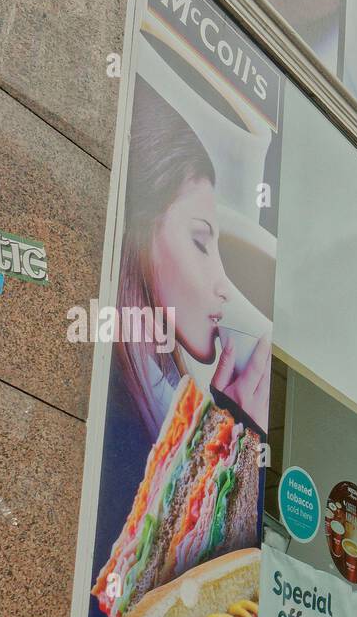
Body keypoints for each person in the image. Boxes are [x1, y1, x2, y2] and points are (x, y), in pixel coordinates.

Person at [115, 77, 270, 438]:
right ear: (139, 231)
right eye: (200, 243)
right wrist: (230, 439)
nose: (224, 286)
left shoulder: (163, 396)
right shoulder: (120, 407)